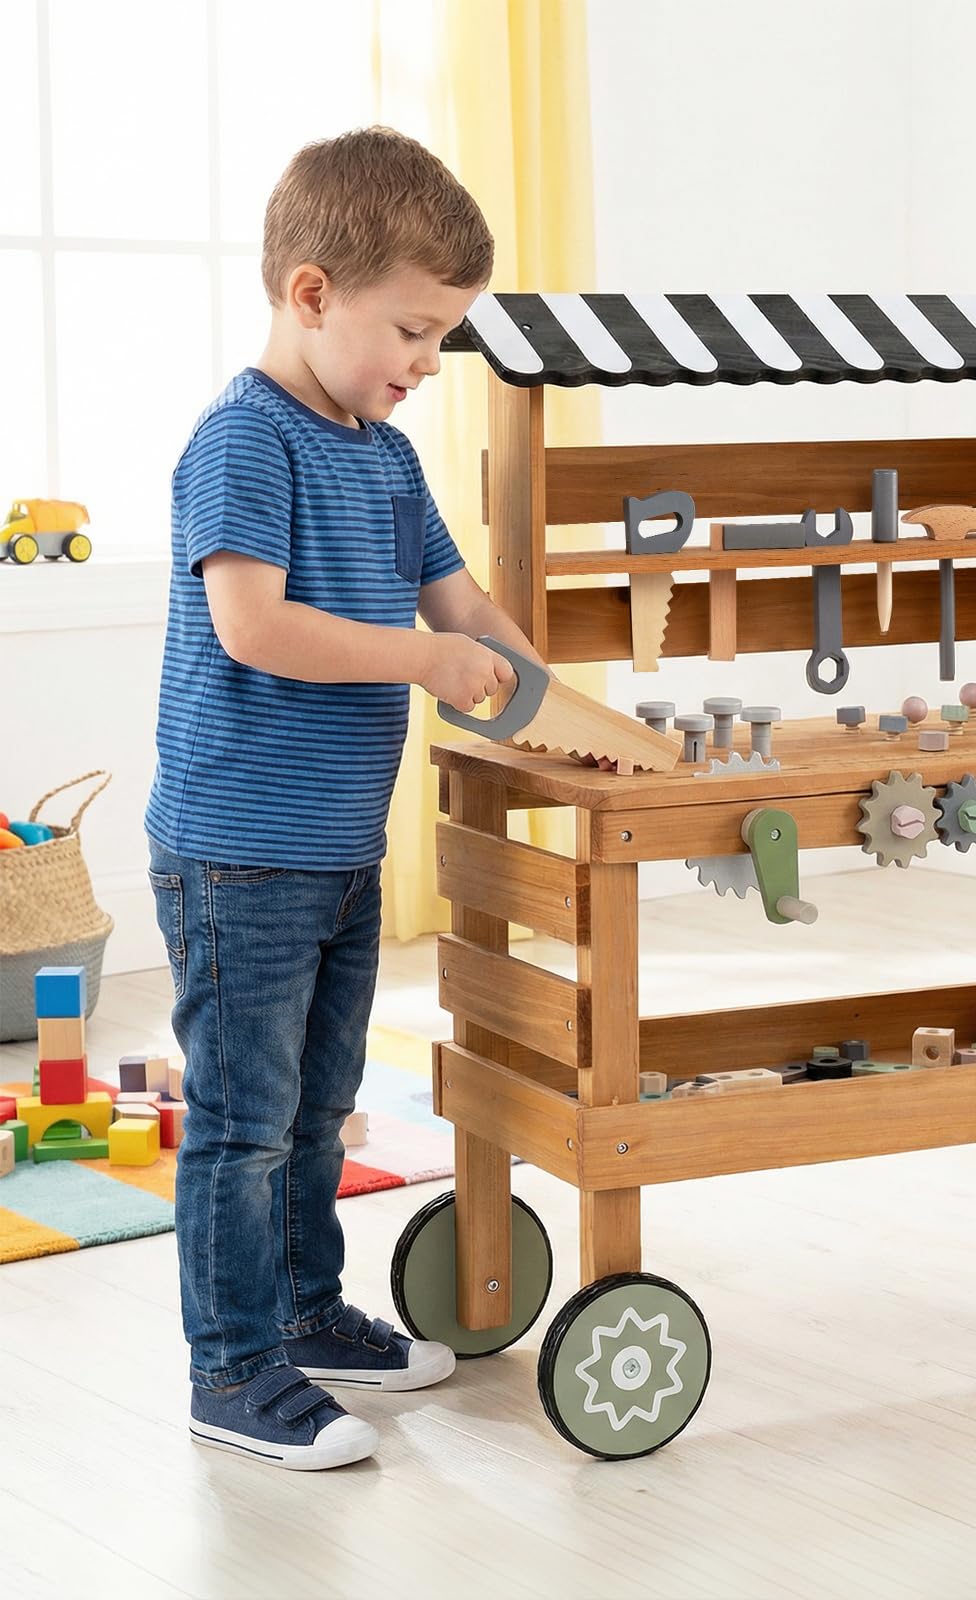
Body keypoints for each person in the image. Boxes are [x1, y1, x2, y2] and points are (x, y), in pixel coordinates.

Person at [147, 127, 540, 1465]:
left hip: (337, 850)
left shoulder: (383, 453)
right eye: (413, 332)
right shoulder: (242, 442)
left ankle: (305, 1315)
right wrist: (425, 660)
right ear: (311, 294)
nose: (426, 364)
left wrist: (542, 692)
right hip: (238, 852)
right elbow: (254, 626)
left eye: (441, 339)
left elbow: (461, 603)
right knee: (243, 1127)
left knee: (320, 1112)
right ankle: (231, 1367)